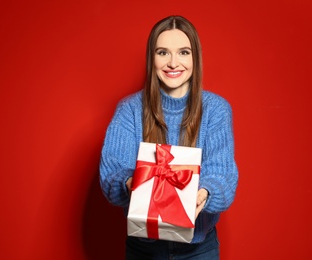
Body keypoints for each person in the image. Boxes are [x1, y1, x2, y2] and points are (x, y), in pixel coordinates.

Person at [100, 15, 238, 259]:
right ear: (151, 58)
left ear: (195, 57)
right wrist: (132, 183)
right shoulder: (129, 109)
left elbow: (223, 177)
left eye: (183, 52)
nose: (173, 63)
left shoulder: (216, 109)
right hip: (144, 248)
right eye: (163, 52)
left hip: (199, 249)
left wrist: (201, 195)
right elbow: (112, 174)